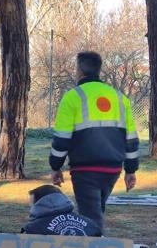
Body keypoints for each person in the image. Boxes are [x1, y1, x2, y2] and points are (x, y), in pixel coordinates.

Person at [49, 51, 139, 234]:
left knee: (90, 219)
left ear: (79, 71)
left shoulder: (73, 97)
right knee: (96, 211)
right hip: (113, 168)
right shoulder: (120, 98)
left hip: (85, 170)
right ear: (98, 70)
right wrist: (131, 170)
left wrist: (55, 166)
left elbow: (62, 138)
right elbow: (131, 138)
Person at [22, 185, 101, 236]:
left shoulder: (33, 229)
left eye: (32, 205)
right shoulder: (91, 224)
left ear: (40, 204)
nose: (31, 209)